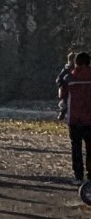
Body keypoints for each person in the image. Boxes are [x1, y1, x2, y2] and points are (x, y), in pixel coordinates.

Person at [60, 52, 91, 182]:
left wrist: (68, 65)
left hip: (74, 118)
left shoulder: (70, 77)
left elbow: (62, 93)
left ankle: (78, 176)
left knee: (76, 147)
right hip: (90, 119)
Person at [60, 51, 78, 122]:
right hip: (68, 89)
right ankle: (63, 111)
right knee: (65, 100)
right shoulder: (67, 69)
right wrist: (61, 85)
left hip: (77, 88)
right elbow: (60, 78)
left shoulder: (79, 69)